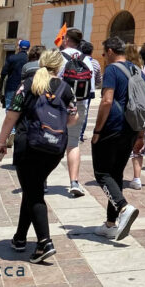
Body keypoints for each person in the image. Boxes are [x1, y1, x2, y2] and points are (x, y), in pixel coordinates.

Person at [0, 48, 78, 264]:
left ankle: (44, 243)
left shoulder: (29, 83)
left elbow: (12, 114)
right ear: (59, 67)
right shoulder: (66, 88)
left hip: (29, 144)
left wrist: (2, 142)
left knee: (33, 193)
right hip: (54, 147)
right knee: (32, 188)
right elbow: (73, 118)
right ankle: (20, 238)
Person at [90, 36, 140, 241]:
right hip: (132, 127)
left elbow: (107, 100)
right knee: (116, 173)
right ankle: (111, 224)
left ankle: (123, 208)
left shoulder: (111, 70)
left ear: (110, 51)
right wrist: (142, 133)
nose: (103, 57)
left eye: (103, 53)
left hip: (112, 127)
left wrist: (97, 130)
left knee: (101, 173)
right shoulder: (136, 69)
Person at [59, 28, 95, 198]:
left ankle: (42, 181)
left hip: (57, 104)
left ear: (66, 39)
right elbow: (91, 90)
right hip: (79, 105)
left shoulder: (58, 57)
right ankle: (74, 182)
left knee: (51, 140)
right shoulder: (87, 61)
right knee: (73, 143)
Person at [125, 43, 145, 190]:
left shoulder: (123, 69)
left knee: (123, 143)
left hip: (127, 110)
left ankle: (116, 174)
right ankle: (137, 178)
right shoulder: (143, 70)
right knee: (139, 144)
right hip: (142, 111)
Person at [79, 39, 102, 143]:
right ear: (91, 51)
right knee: (85, 112)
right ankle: (80, 134)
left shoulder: (76, 60)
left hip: (74, 89)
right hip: (88, 91)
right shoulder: (95, 63)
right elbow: (98, 80)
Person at [0, 40, 30, 109]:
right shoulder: (29, 59)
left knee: (9, 107)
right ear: (28, 48)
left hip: (11, 87)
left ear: (19, 47)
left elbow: (3, 73)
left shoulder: (12, 58)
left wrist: (0, 87)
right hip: (25, 88)